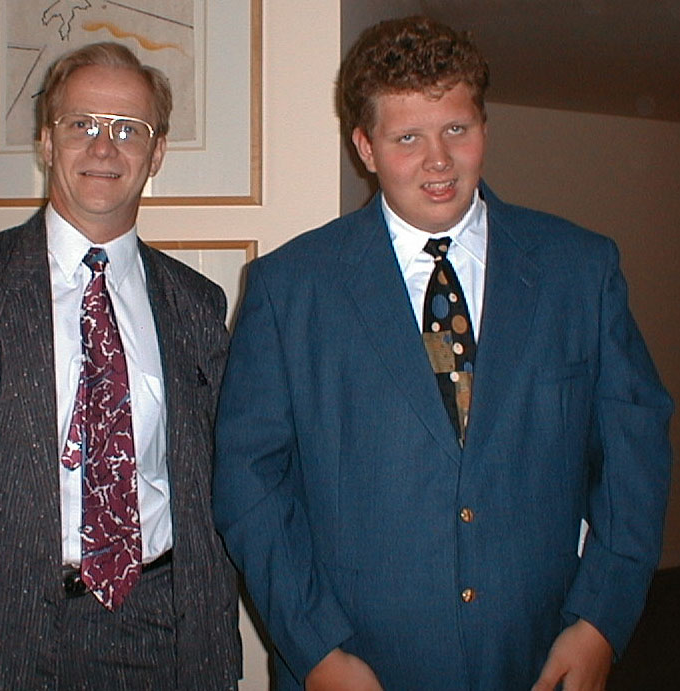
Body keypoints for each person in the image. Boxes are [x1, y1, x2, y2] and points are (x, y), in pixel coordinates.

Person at [213, 16, 672, 690]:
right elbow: (249, 481)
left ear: (483, 127)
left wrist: (600, 620)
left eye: (456, 128)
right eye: (407, 138)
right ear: (364, 147)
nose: (437, 160)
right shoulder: (290, 287)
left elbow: (635, 455)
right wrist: (314, 652)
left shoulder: (581, 269)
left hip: (541, 654)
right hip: (357, 663)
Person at [0, 42, 240, 688]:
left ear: (155, 155)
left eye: (128, 129)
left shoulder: (198, 305)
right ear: (45, 142)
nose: (103, 147)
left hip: (162, 632)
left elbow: (222, 492)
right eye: (81, 124)